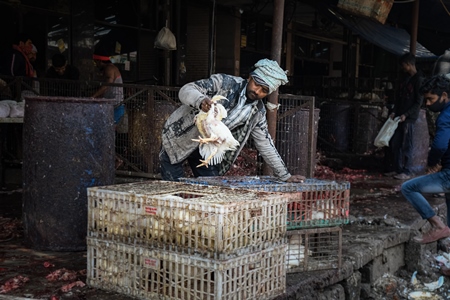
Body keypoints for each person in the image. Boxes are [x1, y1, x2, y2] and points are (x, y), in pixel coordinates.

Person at [160, 58, 305, 182]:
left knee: (212, 195)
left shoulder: (257, 113)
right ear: (250, 77)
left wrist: (285, 175)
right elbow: (186, 89)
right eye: (256, 84)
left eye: (264, 90)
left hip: (208, 150)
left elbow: (265, 144)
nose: (257, 91)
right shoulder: (224, 83)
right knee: (173, 191)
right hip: (179, 137)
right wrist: (200, 100)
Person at [401, 75, 450, 248]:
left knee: (408, 187)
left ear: (444, 95)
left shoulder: (445, 116)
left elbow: (440, 145)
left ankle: (437, 225)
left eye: (431, 99)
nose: (428, 104)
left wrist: (432, 162)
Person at [384, 53, 424, 180]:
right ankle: (397, 168)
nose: (403, 68)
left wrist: (406, 115)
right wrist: (394, 111)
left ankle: (407, 171)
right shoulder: (404, 79)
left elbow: (418, 102)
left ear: (409, 64)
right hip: (399, 117)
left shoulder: (419, 80)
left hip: (409, 118)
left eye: (404, 65)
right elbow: (398, 97)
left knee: (407, 144)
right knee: (395, 143)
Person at [91, 53, 124, 124]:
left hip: (115, 105)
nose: (96, 65)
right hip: (112, 104)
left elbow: (107, 85)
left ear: (100, 61)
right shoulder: (110, 68)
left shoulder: (109, 69)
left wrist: (93, 96)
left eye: (96, 62)